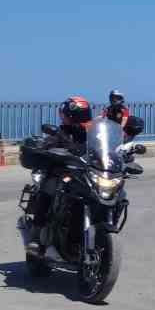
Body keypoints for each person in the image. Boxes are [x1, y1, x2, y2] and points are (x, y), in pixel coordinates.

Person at [25, 96, 93, 251]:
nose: (79, 118)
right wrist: (45, 146)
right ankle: (37, 236)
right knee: (48, 191)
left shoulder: (92, 133)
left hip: (84, 175)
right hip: (61, 173)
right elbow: (49, 143)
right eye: (77, 115)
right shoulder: (60, 132)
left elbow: (104, 148)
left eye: (82, 114)